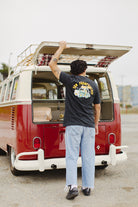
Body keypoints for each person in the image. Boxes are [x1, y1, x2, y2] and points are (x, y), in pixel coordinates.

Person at [49, 41, 101, 200]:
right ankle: (87, 187)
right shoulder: (93, 84)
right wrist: (96, 124)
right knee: (88, 157)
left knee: (72, 156)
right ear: (85, 70)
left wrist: (62, 47)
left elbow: (52, 64)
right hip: (89, 126)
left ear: (72, 71)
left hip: (73, 125)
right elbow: (97, 107)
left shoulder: (69, 80)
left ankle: (72, 187)